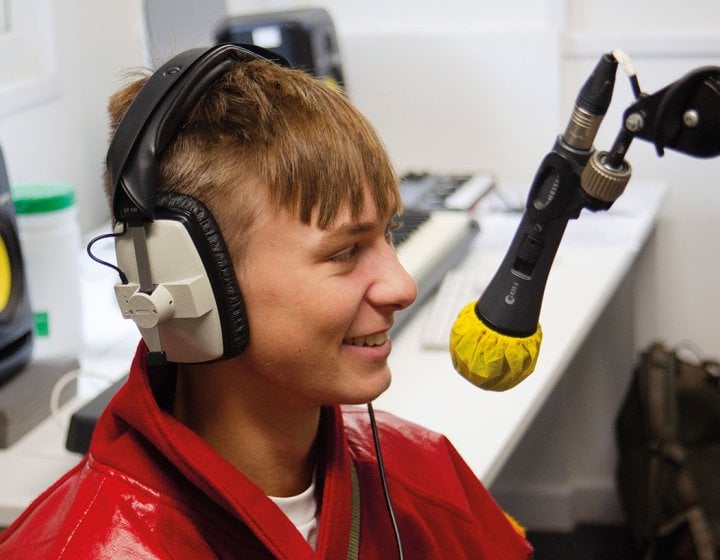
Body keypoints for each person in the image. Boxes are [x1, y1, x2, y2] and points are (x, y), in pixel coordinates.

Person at [0, 45, 533, 559]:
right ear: (193, 281)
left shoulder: (425, 477)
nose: (402, 287)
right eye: (346, 251)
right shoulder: (87, 546)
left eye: (387, 235)